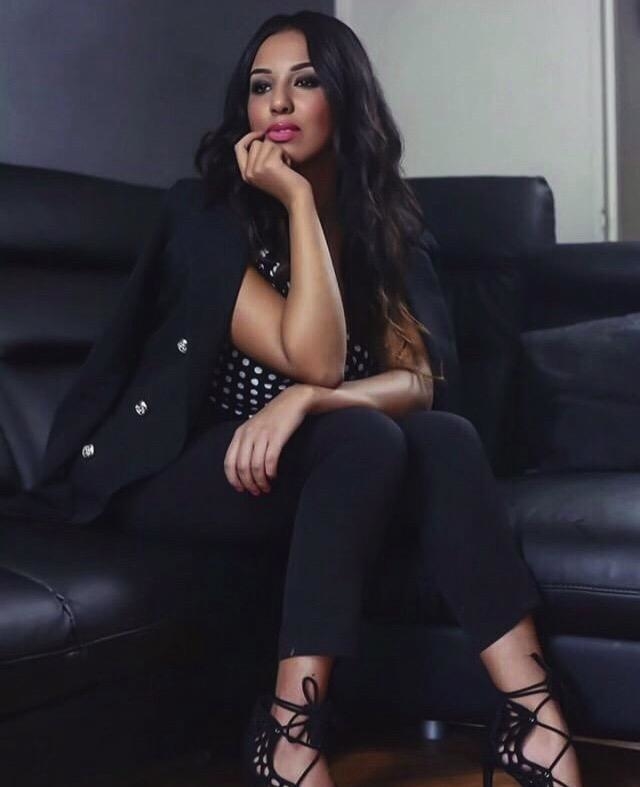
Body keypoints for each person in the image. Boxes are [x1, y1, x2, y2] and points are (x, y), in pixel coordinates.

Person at [9, 10, 583, 787]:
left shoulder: (383, 224)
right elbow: (315, 357)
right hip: (171, 466)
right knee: (365, 436)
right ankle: (289, 735)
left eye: (304, 82)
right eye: (261, 87)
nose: (277, 103)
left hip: (298, 463)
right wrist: (300, 205)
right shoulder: (204, 215)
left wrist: (304, 405)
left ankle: (535, 720)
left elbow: (418, 381)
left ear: (343, 99)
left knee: (443, 436)